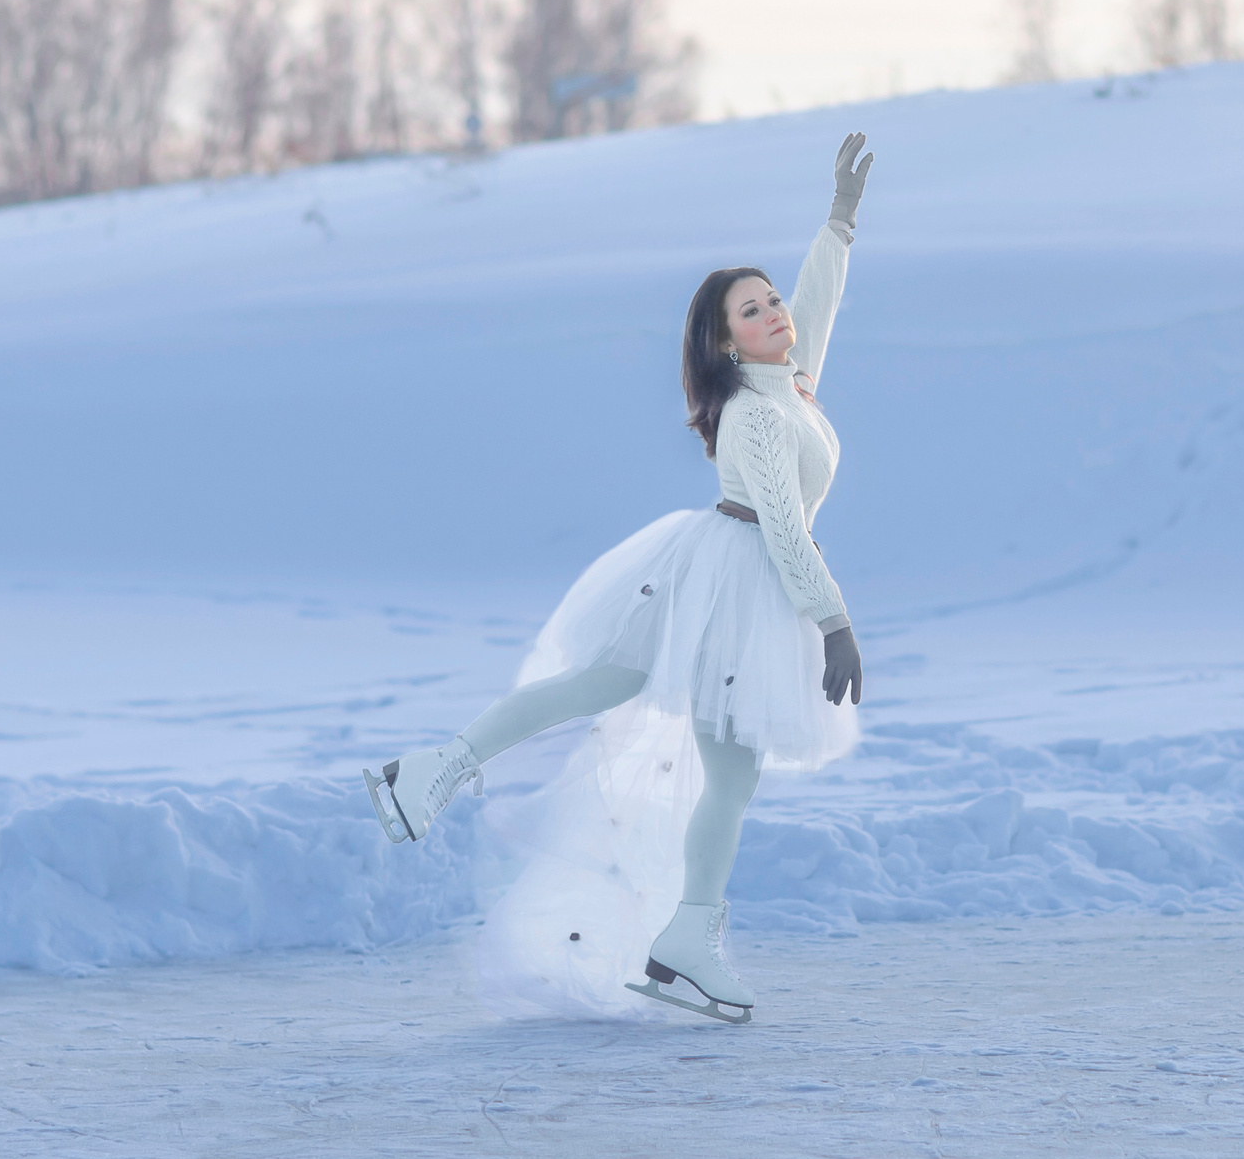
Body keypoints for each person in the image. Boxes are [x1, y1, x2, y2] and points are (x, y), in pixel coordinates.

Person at [363, 133, 875, 1024]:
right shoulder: (756, 413)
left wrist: (838, 224)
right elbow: (788, 530)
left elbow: (819, 310)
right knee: (717, 766)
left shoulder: (789, 385)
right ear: (725, 340)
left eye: (774, 302)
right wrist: (832, 620)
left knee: (658, 725)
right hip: (736, 582)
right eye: (754, 311)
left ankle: (436, 774)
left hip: (728, 580)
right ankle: (683, 935)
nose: (777, 314)